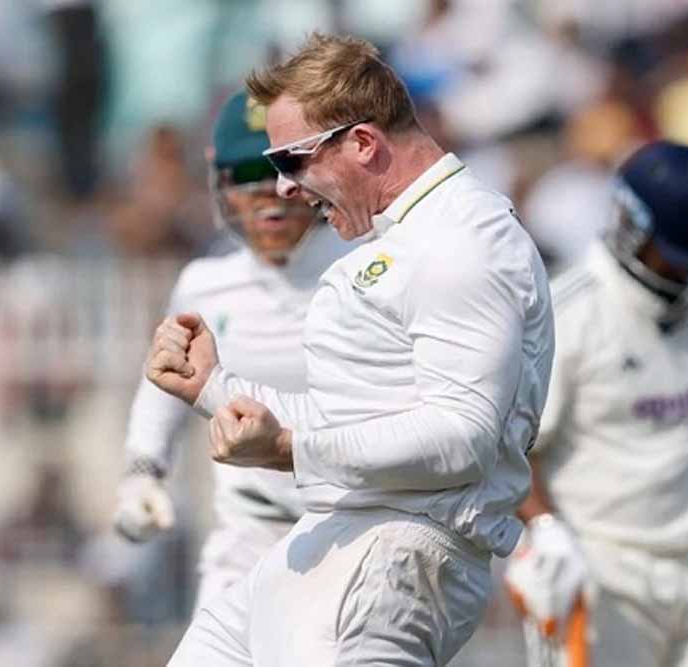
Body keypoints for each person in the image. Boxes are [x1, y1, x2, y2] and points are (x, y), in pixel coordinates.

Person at [145, 32, 554, 666]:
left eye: (290, 160)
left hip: (395, 558)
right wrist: (214, 387)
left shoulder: (461, 240)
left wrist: (289, 447)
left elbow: (462, 438)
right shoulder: (411, 235)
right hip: (328, 541)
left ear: (363, 143)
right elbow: (353, 420)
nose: (283, 188)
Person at [504, 141, 688, 667]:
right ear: (631, 226)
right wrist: (544, 530)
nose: (687, 275)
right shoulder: (569, 313)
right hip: (605, 570)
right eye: (676, 257)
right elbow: (514, 446)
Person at [112, 90, 350, 609]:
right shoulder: (204, 284)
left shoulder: (365, 266)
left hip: (356, 530)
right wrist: (142, 471)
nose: (270, 192)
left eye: (283, 168)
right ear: (220, 183)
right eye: (248, 174)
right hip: (248, 534)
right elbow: (164, 385)